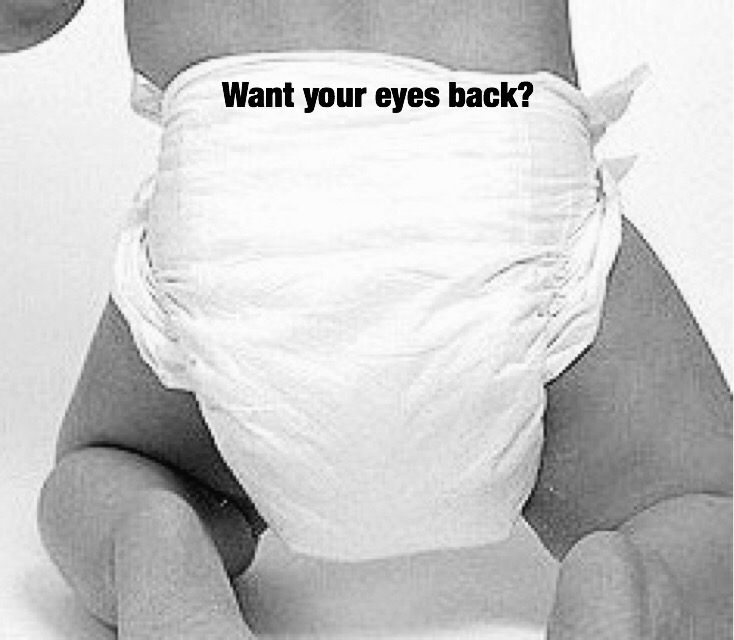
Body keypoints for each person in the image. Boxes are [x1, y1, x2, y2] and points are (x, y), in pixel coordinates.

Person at [3, 1, 730, 638]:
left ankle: (155, 551)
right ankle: (640, 593)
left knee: (108, 468)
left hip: (242, 190)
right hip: (494, 163)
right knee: (703, 500)